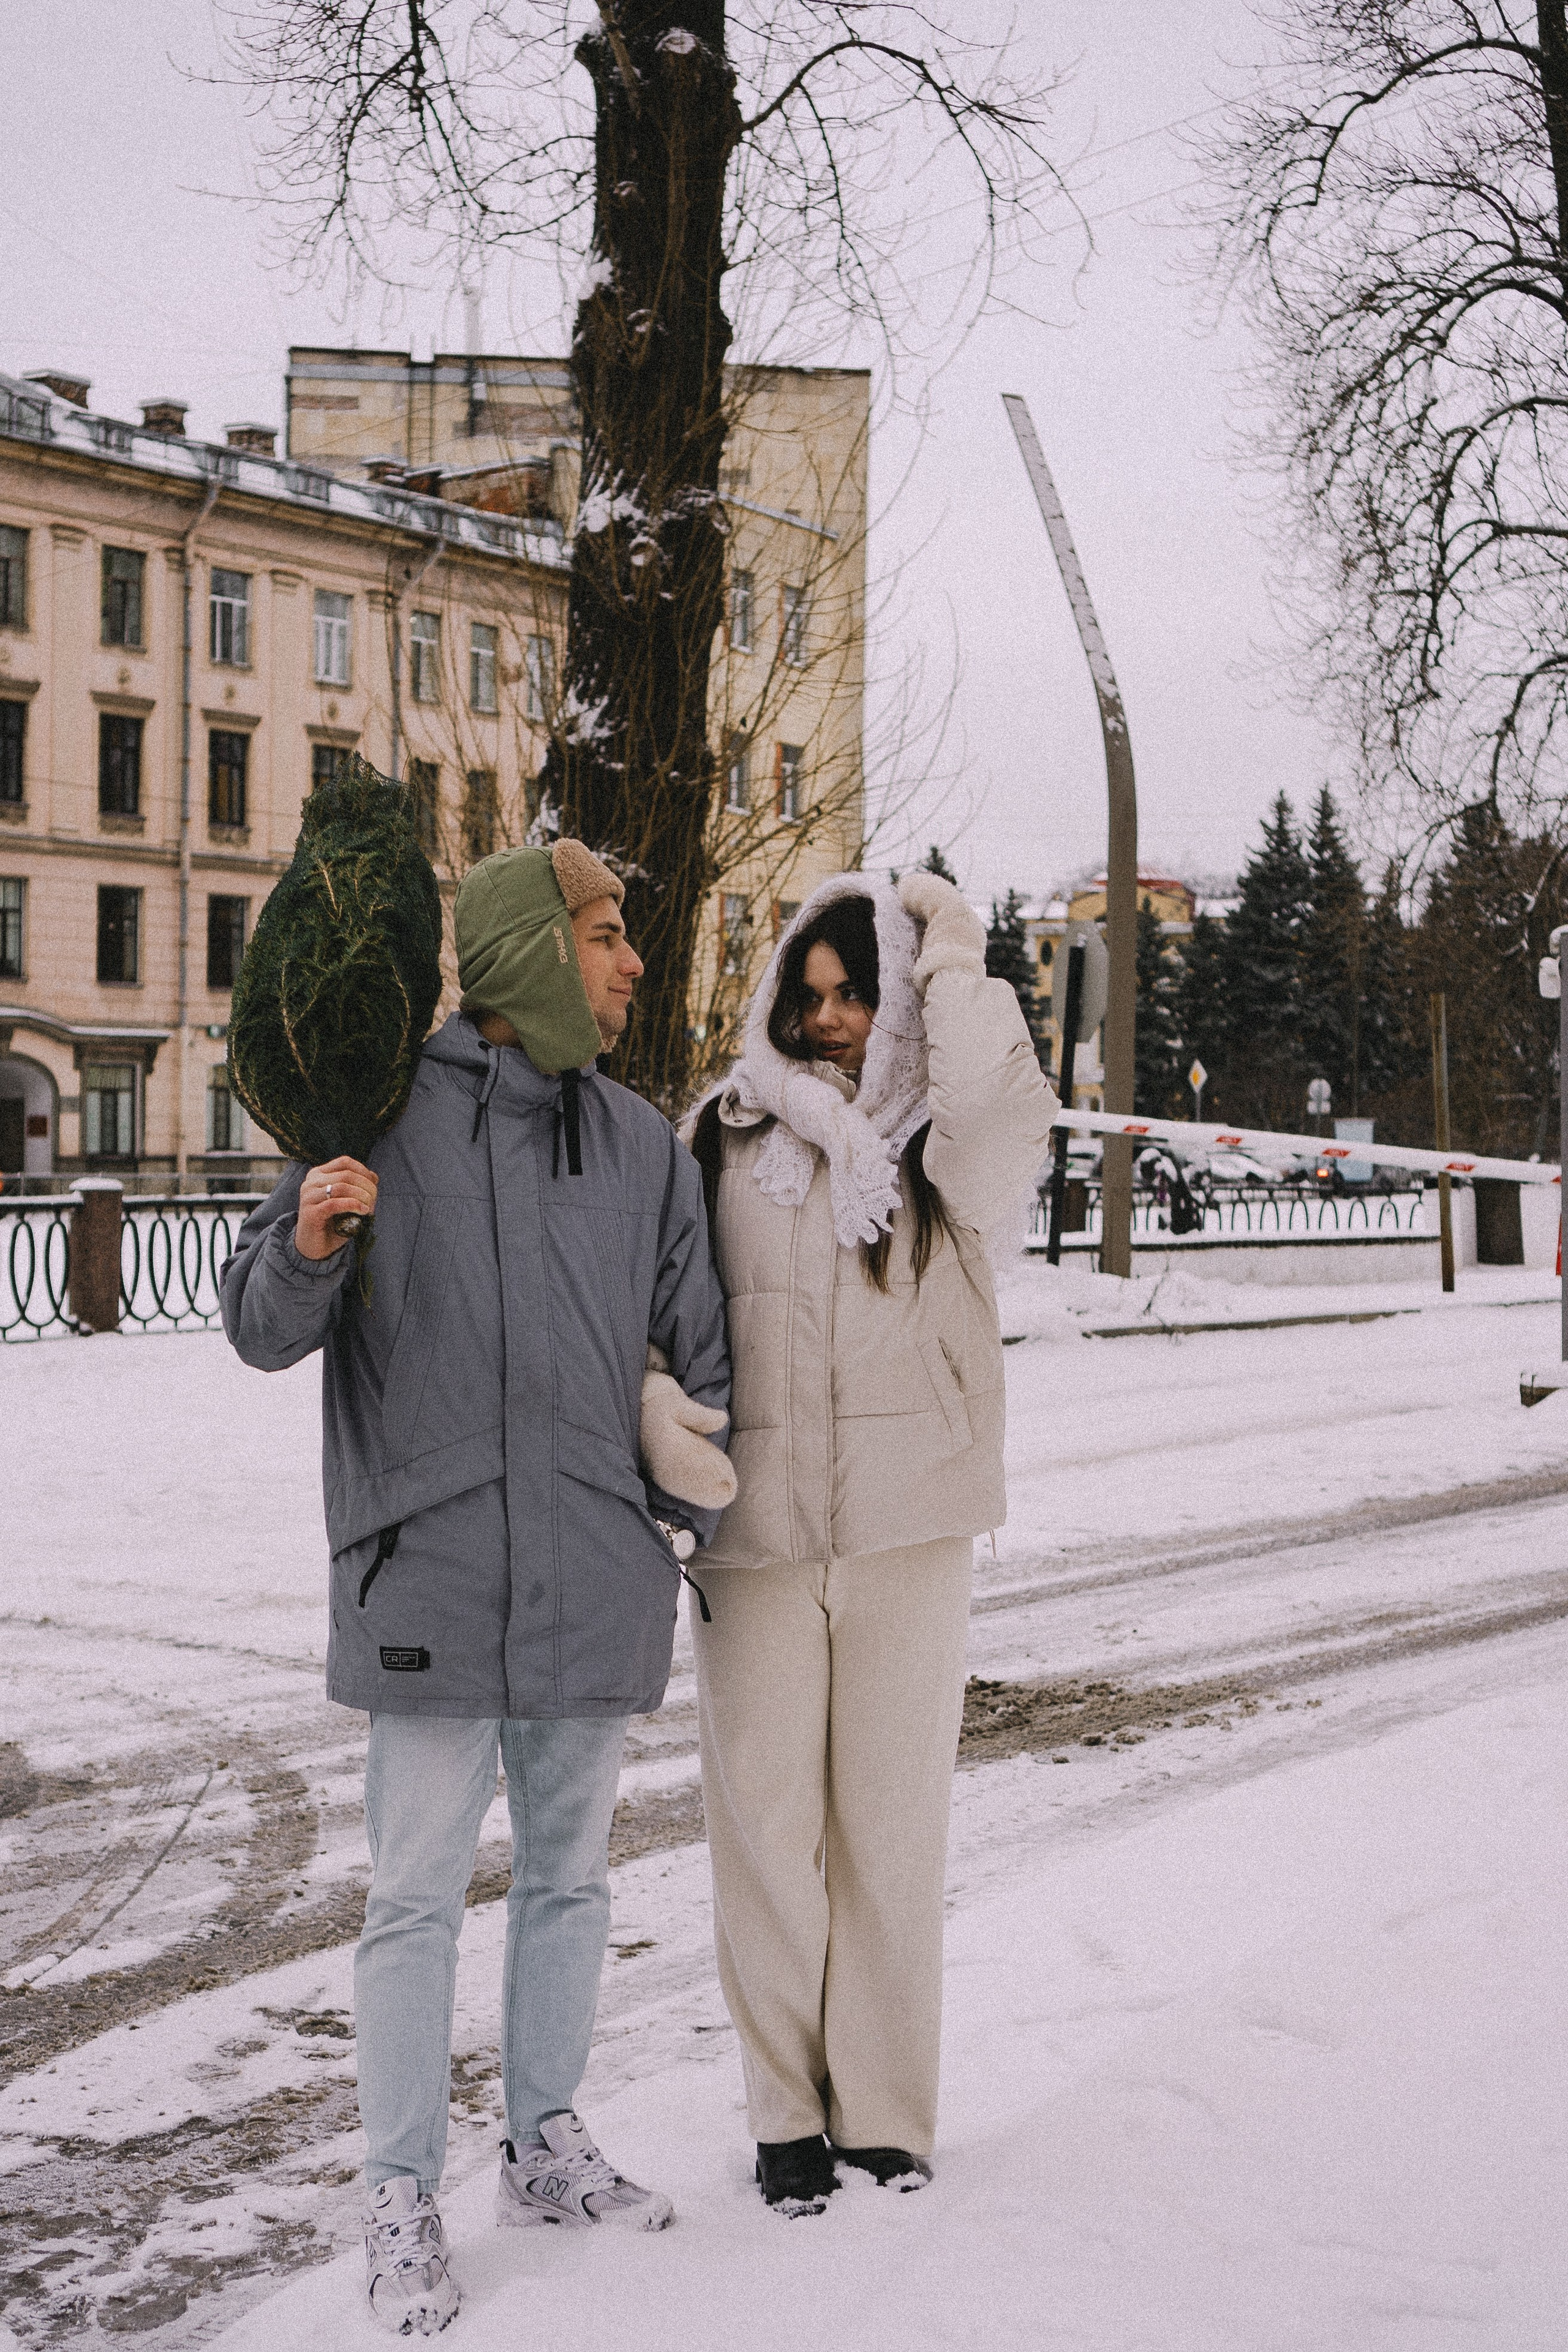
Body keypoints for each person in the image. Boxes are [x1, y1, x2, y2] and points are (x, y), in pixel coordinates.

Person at [221, 840, 731, 2335]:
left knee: (571, 1882)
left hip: (590, 1566)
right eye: (602, 930)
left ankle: (544, 2143)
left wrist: (679, 1452)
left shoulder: (639, 1147)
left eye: (627, 932)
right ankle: (397, 2192)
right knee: (413, 1899)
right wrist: (311, 1239)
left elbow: (700, 1354)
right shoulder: (373, 1114)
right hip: (425, 1571)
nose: (631, 959)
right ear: (520, 950)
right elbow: (260, 1323)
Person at [685, 869, 1057, 2215]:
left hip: (909, 1530)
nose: (828, 1019)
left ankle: (886, 2117)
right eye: (810, 992)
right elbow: (669, 1328)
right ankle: (785, 2114)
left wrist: (950, 957)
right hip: (754, 1547)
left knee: (891, 1835)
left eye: (855, 994)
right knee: (766, 1836)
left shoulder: (940, 1156)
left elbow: (1013, 1118)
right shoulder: (720, 1139)